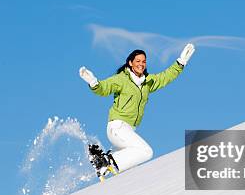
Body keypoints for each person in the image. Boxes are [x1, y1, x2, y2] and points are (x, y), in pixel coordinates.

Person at [79, 43, 195, 177]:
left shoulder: (147, 82)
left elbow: (165, 77)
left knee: (133, 160)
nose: (141, 64)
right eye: (138, 61)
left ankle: (104, 157)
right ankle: (106, 161)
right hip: (117, 127)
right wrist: (93, 82)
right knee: (146, 152)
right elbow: (104, 88)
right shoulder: (122, 79)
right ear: (130, 63)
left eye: (144, 61)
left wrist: (181, 62)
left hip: (128, 130)